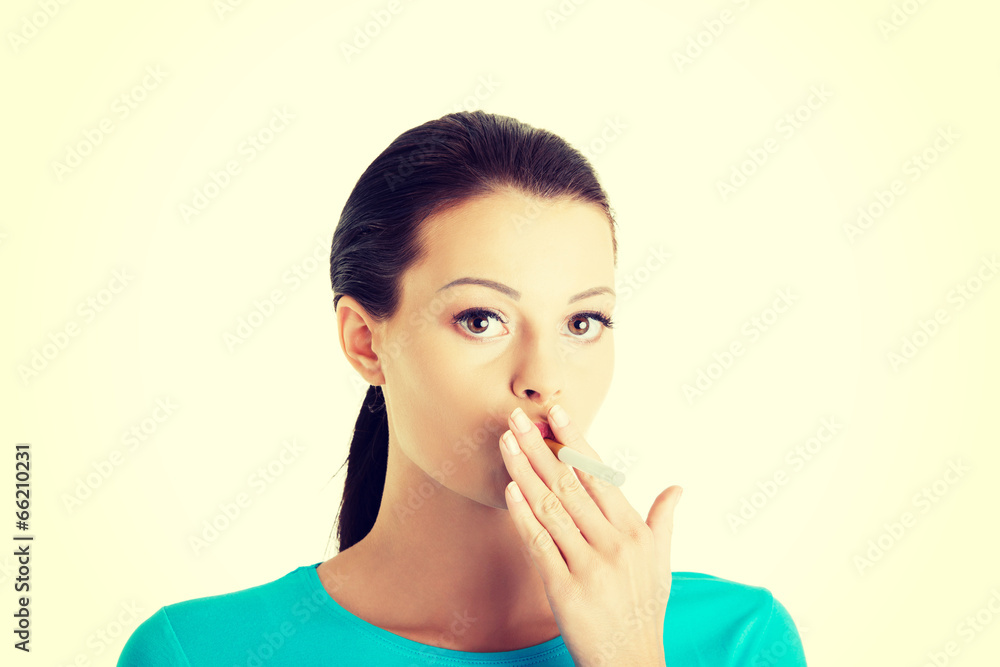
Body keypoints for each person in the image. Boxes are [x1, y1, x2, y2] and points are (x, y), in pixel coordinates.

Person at [118, 110, 807, 666]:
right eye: (482, 320)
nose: (543, 380)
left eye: (583, 322)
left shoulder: (740, 640)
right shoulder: (195, 653)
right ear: (366, 342)